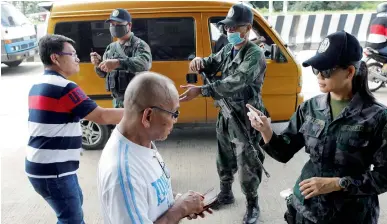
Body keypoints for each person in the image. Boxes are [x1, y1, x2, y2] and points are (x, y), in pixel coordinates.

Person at [247, 31, 387, 224]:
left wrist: (338, 184)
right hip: (306, 210)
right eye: (316, 69)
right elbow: (283, 152)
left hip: (351, 216)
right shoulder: (310, 108)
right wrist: (266, 130)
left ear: (350, 72)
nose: (319, 76)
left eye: (326, 71)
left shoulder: (379, 117)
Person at [179, 3, 267, 224]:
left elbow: (235, 82)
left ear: (247, 28)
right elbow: (210, 62)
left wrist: (202, 90)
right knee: (224, 158)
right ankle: (226, 194)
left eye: (235, 28)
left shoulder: (254, 55)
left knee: (248, 163)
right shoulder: (228, 49)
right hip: (226, 114)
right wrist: (199, 61)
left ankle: (252, 204)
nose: (230, 32)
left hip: (246, 117)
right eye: (227, 28)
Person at [26, 34, 124, 223]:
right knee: (72, 219)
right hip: (53, 170)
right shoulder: (64, 87)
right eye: (72, 54)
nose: (77, 59)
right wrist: (141, 110)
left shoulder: (38, 84)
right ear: (55, 58)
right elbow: (102, 116)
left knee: (72, 207)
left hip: (41, 166)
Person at [97, 71, 212, 224]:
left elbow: (150, 192)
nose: (175, 120)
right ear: (148, 116)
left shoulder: (142, 142)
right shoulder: (124, 175)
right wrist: (179, 210)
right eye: (174, 113)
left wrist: (181, 201)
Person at [90, 8, 152, 108]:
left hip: (137, 102)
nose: (115, 27)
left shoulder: (139, 45)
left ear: (129, 25)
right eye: (112, 25)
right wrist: (98, 64)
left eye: (118, 24)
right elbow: (103, 74)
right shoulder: (111, 48)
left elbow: (144, 63)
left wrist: (118, 62)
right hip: (117, 102)